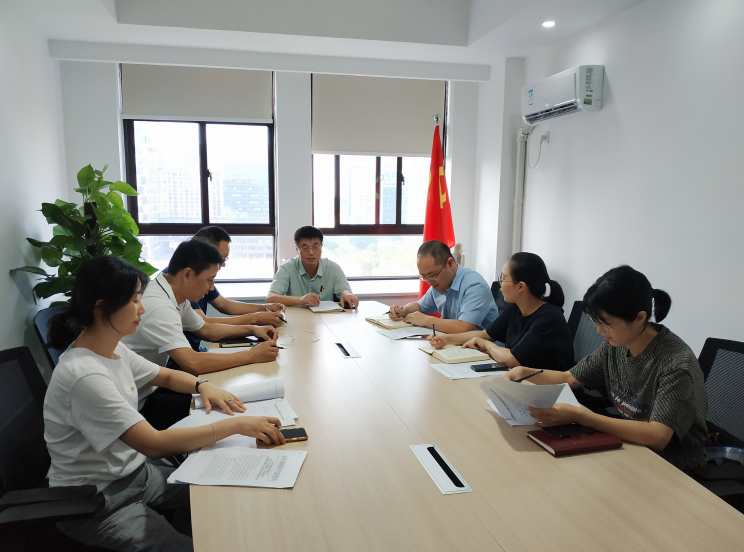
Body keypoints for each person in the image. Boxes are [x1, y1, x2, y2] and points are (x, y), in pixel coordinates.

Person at [44, 255, 286, 552]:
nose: (142, 309)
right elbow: (154, 444)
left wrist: (202, 385)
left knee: (225, 489)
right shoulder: (85, 375)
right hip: (98, 503)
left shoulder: (112, 349)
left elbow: (166, 375)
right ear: (102, 307)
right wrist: (235, 425)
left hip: (136, 476)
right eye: (134, 301)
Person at [502, 266, 708, 471]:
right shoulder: (617, 345)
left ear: (639, 318)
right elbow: (569, 378)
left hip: (672, 463)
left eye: (606, 323)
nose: (599, 330)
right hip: (629, 445)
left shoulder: (675, 364)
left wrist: (582, 416)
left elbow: (657, 436)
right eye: (595, 321)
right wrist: (524, 372)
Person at [122, 238, 280, 429]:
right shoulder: (159, 307)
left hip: (153, 387)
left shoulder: (173, 294)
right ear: (187, 274)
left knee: (223, 394)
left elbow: (205, 329)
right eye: (209, 280)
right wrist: (251, 355)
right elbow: (192, 363)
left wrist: (252, 329)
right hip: (140, 404)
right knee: (223, 407)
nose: (211, 287)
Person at [427, 252, 573, 370]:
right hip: (520, 380)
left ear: (520, 286)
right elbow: (486, 334)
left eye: (503, 279)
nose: (500, 284)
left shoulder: (549, 318)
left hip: (550, 390)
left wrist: (486, 345)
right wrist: (447, 339)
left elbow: (512, 359)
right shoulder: (516, 308)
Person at [163, 226, 286, 353]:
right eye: (221, 258)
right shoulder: (182, 284)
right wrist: (254, 320)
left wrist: (262, 310)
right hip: (186, 357)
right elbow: (205, 327)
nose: (223, 264)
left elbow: (222, 307)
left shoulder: (197, 279)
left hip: (195, 351)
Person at [388, 240, 499, 333]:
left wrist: (426, 320)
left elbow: (464, 328)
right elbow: (420, 306)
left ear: (450, 263)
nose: (429, 281)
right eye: (424, 276)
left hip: (485, 349)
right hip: (454, 344)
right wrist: (404, 309)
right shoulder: (439, 284)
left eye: (432, 275)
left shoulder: (474, 285)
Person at [267, 226, 359, 308]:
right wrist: (300, 300)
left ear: (321, 248)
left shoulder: (333, 268)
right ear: (297, 250)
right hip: (297, 318)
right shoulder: (287, 268)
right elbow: (270, 298)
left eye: (316, 247)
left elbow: (345, 291)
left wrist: (347, 293)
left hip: (326, 318)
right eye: (305, 248)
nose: (311, 252)